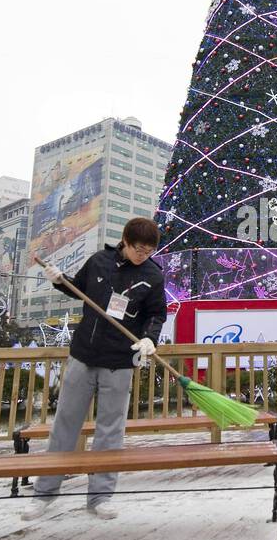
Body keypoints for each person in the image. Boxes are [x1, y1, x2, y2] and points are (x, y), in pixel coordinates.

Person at [22, 217, 168, 521]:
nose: (143, 255)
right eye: (138, 249)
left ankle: (101, 496)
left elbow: (156, 313)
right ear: (125, 241)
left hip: (119, 361)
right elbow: (78, 290)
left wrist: (148, 338)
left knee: (110, 430)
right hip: (83, 356)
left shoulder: (153, 274)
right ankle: (45, 493)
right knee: (65, 424)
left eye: (149, 250)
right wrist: (58, 278)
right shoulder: (100, 261)